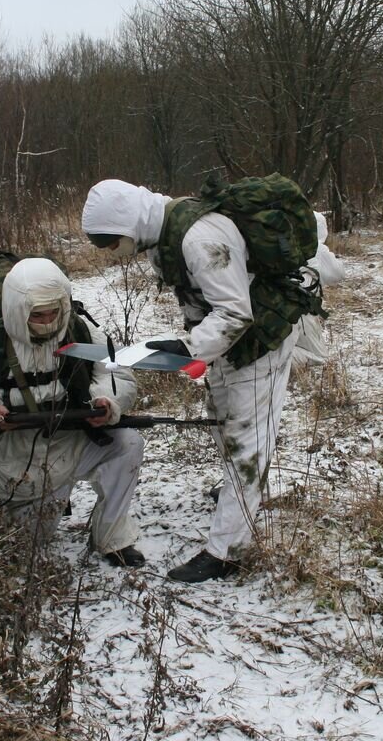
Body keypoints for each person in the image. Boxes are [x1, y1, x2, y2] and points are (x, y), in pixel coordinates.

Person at [82, 179, 306, 583]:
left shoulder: (199, 237)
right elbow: (201, 300)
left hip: (259, 341)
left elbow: (236, 313)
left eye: (112, 242)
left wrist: (186, 348)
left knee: (244, 440)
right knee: (221, 416)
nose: (112, 251)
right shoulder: (163, 235)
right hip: (223, 344)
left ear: (128, 225)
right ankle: (241, 493)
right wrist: (189, 345)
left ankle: (226, 552)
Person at [0, 258, 146, 567]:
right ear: (17, 309)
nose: (49, 321)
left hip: (72, 441)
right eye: (38, 315)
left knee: (128, 443)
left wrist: (104, 402)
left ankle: (112, 536)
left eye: (54, 312)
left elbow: (117, 373)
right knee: (32, 543)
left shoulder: (79, 328)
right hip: (19, 460)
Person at [291, 211, 346, 369]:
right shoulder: (316, 250)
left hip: (277, 307)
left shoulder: (280, 246)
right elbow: (338, 274)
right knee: (318, 359)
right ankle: (273, 361)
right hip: (301, 312)